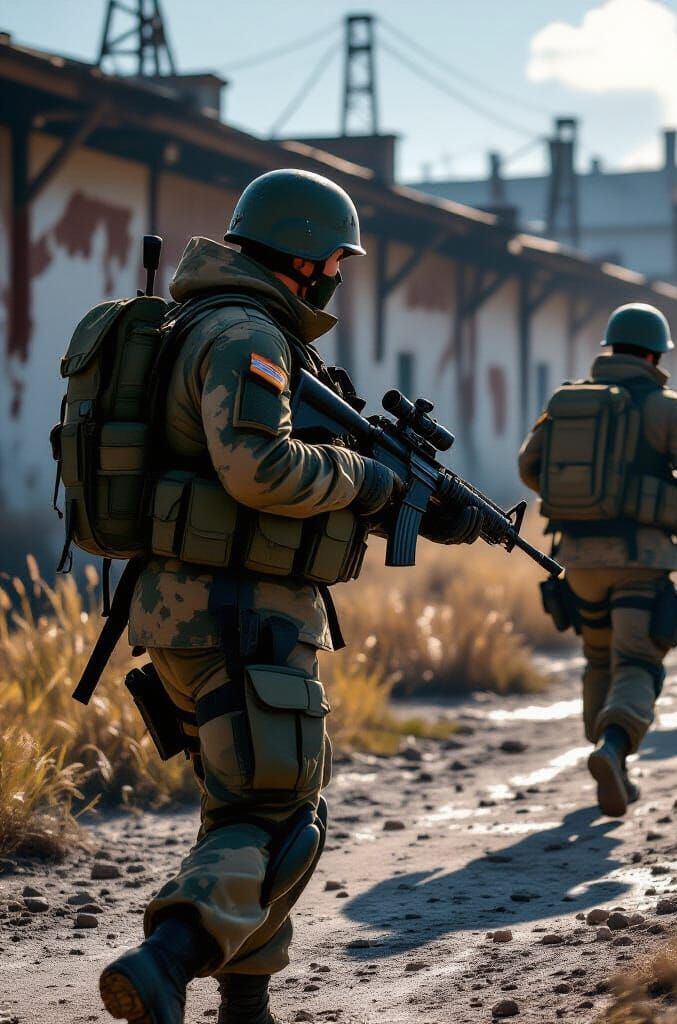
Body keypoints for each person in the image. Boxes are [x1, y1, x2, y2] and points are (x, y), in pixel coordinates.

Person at [99, 169, 477, 1024]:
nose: (339, 275)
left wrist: (408, 502)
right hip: (240, 613)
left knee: (248, 806)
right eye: (335, 259)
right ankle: (167, 959)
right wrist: (372, 480)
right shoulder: (245, 336)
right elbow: (260, 468)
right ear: (304, 259)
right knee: (279, 818)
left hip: (197, 608)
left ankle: (246, 1005)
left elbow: (273, 469)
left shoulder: (212, 324)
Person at [517, 303, 677, 817]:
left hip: (577, 559)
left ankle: (611, 759)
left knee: (598, 659)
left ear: (609, 346)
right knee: (637, 660)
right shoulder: (669, 408)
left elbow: (528, 467)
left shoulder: (568, 401)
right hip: (641, 558)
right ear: (656, 353)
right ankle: (613, 746)